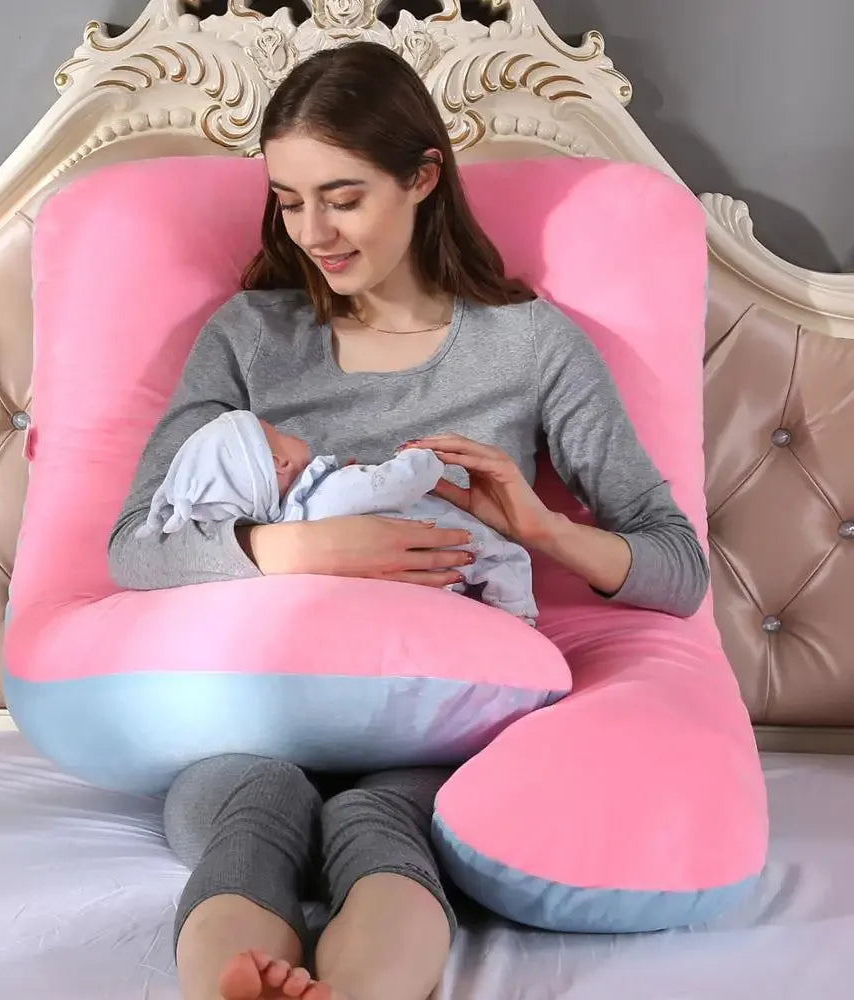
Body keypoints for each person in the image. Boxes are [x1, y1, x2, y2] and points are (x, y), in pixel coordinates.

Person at [107, 40, 709, 1000]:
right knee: (250, 817)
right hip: (256, 714)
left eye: (342, 198)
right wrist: (303, 548)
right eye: (288, 201)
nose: (313, 231)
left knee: (382, 823)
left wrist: (542, 529)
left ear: (423, 176)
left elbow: (679, 568)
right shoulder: (249, 336)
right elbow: (136, 547)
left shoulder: (529, 346)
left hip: (434, 722)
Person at [137, 408, 540, 623]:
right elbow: (396, 484)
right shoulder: (331, 490)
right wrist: (425, 458)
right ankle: (518, 614)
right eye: (278, 432)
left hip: (406, 606)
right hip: (452, 548)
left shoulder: (291, 529)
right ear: (278, 462)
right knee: (503, 558)